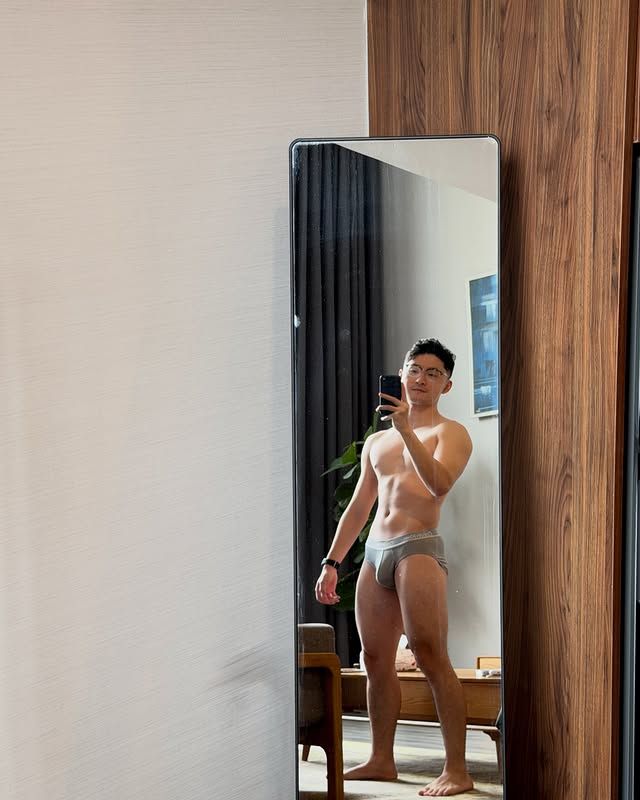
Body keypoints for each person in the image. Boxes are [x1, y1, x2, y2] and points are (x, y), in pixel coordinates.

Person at [315, 338, 474, 797]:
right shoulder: (375, 442)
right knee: (375, 660)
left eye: (433, 373)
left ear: (446, 385)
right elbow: (359, 507)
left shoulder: (451, 433)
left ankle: (457, 769)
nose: (421, 378)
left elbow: (438, 484)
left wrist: (406, 430)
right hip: (375, 552)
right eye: (414, 369)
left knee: (430, 655)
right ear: (402, 375)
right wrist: (332, 562)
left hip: (417, 547)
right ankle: (381, 760)